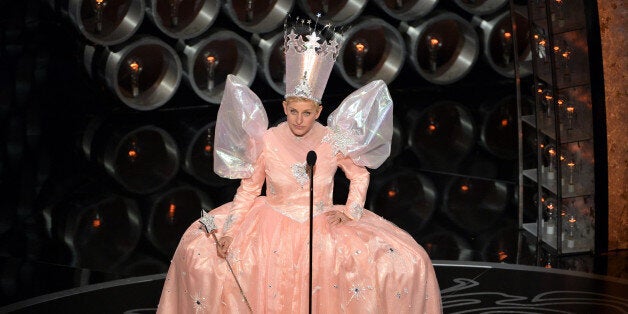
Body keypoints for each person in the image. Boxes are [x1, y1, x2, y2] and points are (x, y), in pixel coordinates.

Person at [157, 22, 442, 313]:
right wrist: (230, 230)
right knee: (202, 255)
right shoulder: (267, 140)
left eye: (307, 113)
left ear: (318, 111)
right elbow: (249, 190)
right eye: (293, 111)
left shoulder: (333, 140)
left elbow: (359, 175)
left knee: (407, 261)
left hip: (322, 221)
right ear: (284, 108)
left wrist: (351, 211)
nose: (299, 120)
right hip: (272, 221)